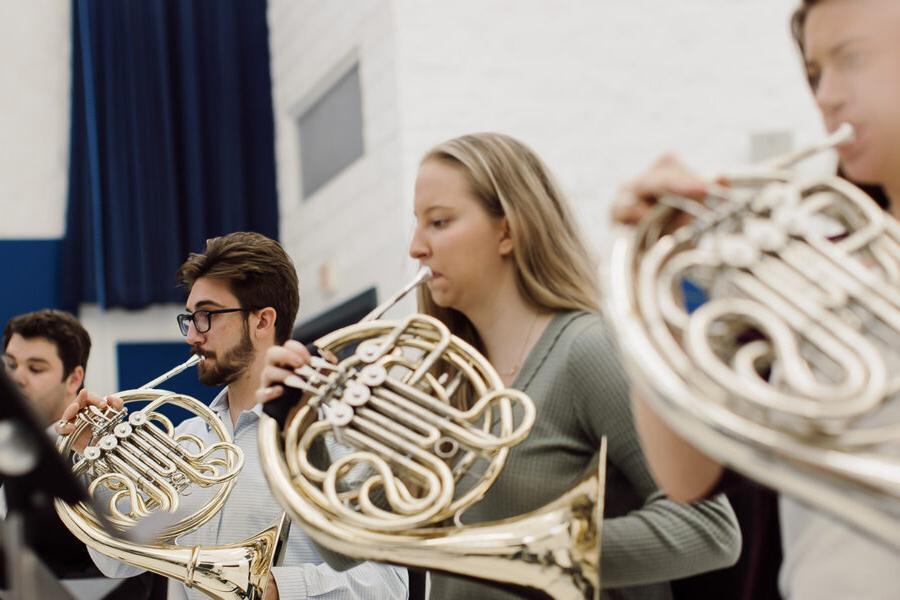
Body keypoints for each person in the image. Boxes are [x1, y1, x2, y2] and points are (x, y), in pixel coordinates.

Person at [258, 133, 741, 599]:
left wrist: (528, 555)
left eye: (439, 222)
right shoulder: (443, 380)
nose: (416, 247)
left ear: (507, 230)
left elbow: (710, 529)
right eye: (416, 223)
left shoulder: (586, 349)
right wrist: (299, 421)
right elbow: (347, 545)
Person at [611, 1, 900, 598]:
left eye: (853, 59)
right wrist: (652, 280)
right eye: (816, 72)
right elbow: (686, 477)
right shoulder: (813, 263)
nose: (825, 97)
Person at [56, 232, 408, 600]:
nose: (192, 334)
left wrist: (276, 589)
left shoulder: (334, 438)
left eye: (206, 315)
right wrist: (98, 460)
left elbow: (388, 585)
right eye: (189, 318)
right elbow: (120, 560)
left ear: (262, 321)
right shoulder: (187, 438)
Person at [2, 309, 161, 598]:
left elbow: (136, 575)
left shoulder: (107, 456)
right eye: (10, 365)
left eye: (35, 368)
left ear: (74, 378)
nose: (17, 378)